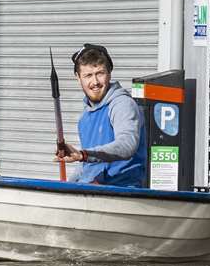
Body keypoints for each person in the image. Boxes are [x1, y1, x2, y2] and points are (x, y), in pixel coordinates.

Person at [55, 43, 147, 188]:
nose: (95, 82)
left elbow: (127, 144)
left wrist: (84, 154)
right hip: (90, 190)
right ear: (78, 78)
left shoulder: (122, 104)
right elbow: (85, 167)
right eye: (88, 75)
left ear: (109, 73)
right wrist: (63, 189)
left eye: (100, 73)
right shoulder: (84, 118)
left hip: (119, 192)